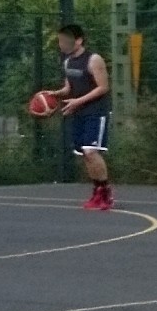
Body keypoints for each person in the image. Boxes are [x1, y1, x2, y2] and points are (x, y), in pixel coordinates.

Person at [48, 22, 115, 212]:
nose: (62, 43)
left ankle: (105, 192)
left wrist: (77, 101)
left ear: (79, 40)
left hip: (96, 111)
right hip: (79, 113)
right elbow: (69, 88)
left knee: (91, 151)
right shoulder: (68, 61)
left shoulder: (94, 60)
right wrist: (53, 94)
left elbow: (103, 87)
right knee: (85, 155)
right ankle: (97, 190)